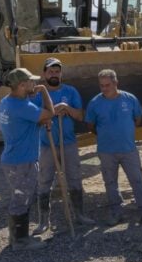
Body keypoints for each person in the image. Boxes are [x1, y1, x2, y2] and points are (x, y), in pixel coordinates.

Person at [85, 69, 142, 225]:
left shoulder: (129, 99)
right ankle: (116, 213)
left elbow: (137, 118)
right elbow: (91, 125)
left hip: (128, 149)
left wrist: (125, 132)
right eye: (101, 86)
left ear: (116, 83)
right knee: (110, 183)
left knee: (137, 180)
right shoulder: (95, 103)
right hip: (106, 151)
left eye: (107, 85)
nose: (104, 88)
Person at [33, 57, 95, 235]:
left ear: (61, 73)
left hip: (68, 143)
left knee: (74, 178)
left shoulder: (71, 91)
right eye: (50, 71)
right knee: (44, 181)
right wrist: (50, 113)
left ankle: (79, 215)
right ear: (44, 73)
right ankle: (44, 221)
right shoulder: (38, 94)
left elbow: (80, 116)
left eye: (57, 71)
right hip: (46, 144)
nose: (54, 74)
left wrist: (66, 108)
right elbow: (35, 117)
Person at [0, 68, 54, 250]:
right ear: (22, 85)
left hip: (13, 158)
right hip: (22, 161)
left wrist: (38, 120)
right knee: (22, 199)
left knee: (19, 197)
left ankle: (15, 237)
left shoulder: (7, 102)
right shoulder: (22, 107)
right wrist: (45, 91)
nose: (35, 84)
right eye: (31, 82)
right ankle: (21, 241)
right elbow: (49, 113)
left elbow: (25, 122)